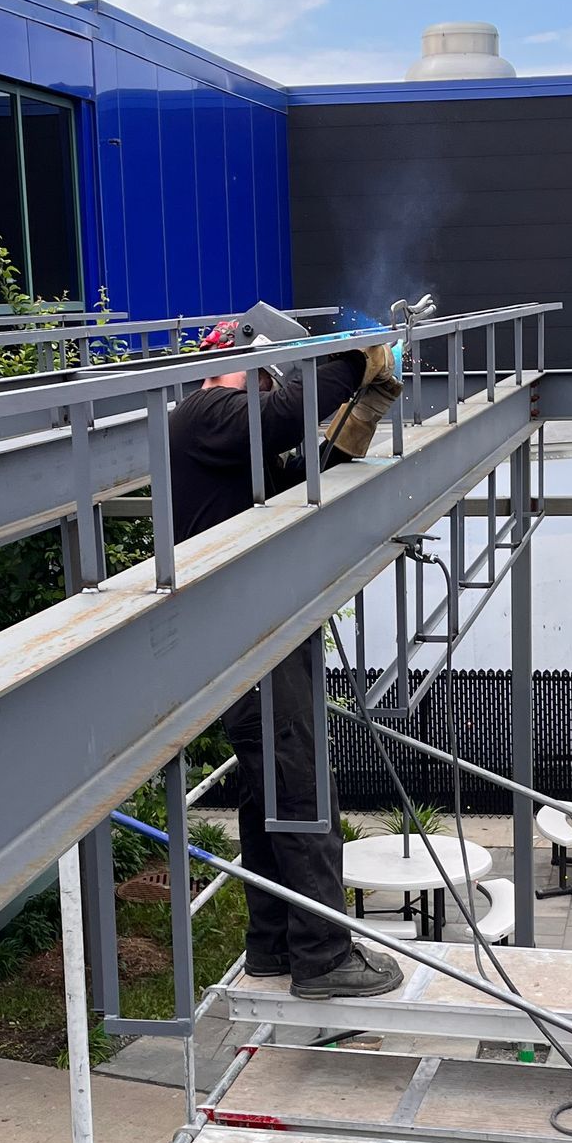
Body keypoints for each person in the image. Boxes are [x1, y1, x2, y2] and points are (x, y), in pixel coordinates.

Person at [169, 315, 403, 998]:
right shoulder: (206, 411)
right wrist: (354, 356)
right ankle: (324, 957)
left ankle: (271, 944)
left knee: (268, 789)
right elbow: (281, 414)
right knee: (300, 787)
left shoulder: (228, 434)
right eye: (273, 374)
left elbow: (300, 467)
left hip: (256, 630)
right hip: (252, 636)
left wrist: (359, 415)